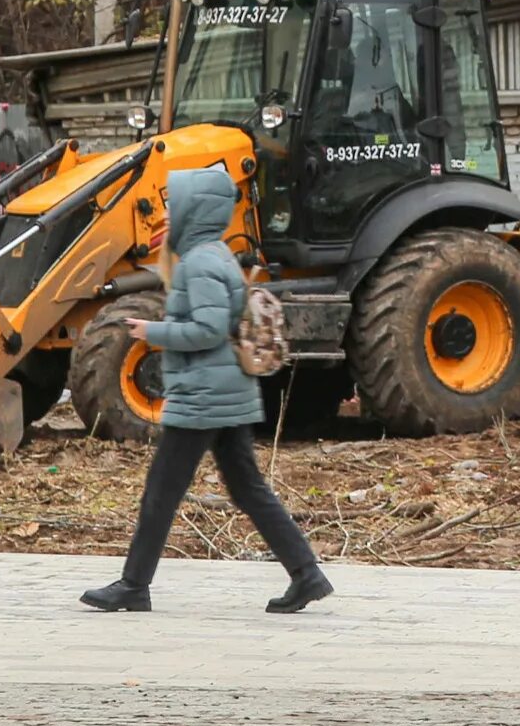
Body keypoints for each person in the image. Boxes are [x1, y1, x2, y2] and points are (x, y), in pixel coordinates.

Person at [82, 165, 333, 614]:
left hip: (204, 396)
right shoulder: (214, 253)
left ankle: (133, 586)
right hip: (225, 393)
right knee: (248, 488)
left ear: (195, 211)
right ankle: (306, 573)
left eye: (175, 205)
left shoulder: (199, 262)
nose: (168, 213)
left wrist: (152, 331)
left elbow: (208, 329)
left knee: (161, 490)